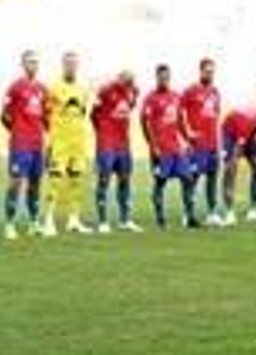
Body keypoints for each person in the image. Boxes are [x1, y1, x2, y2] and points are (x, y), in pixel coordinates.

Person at [43, 52, 94, 236]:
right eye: (68, 64)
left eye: (74, 64)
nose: (71, 67)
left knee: (77, 180)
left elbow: (83, 113)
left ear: (77, 66)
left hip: (78, 141)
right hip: (60, 142)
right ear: (62, 65)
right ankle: (48, 220)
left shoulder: (83, 89)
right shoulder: (54, 87)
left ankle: (74, 219)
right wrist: (51, 138)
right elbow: (45, 112)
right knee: (55, 180)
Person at [1, 51, 49, 240]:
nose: (33, 66)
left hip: (38, 144)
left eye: (36, 62)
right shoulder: (15, 87)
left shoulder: (43, 89)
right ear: (23, 64)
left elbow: (46, 118)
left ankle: (33, 222)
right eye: (30, 62)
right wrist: (17, 131)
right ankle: (9, 223)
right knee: (15, 182)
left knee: (35, 183)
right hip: (20, 143)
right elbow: (4, 115)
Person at [143, 64, 196, 229]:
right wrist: (153, 146)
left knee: (188, 179)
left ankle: (189, 217)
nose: (164, 79)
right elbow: (146, 124)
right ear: (156, 78)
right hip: (161, 150)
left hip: (176, 148)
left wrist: (187, 140)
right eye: (161, 77)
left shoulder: (175, 96)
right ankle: (160, 220)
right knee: (160, 182)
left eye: (167, 77)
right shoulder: (150, 98)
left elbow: (180, 121)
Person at [92, 70, 141, 232]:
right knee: (104, 179)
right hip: (106, 143)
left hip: (124, 144)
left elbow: (129, 109)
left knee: (125, 180)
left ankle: (125, 220)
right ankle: (103, 221)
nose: (128, 83)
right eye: (125, 80)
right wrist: (103, 132)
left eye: (130, 81)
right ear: (118, 78)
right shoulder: (105, 90)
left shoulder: (133, 92)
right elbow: (93, 114)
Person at [180, 58, 225, 225]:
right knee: (193, 178)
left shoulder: (215, 92)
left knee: (213, 178)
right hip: (197, 145)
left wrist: (219, 142)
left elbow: (216, 116)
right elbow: (179, 112)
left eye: (212, 71)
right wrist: (187, 135)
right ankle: (187, 214)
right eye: (207, 71)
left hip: (213, 143)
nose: (210, 74)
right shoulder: (190, 91)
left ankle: (212, 213)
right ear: (200, 71)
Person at [223, 105, 256, 223]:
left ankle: (253, 211)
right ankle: (229, 213)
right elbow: (238, 147)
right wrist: (233, 160)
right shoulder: (246, 125)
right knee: (230, 171)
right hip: (231, 135)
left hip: (248, 136)